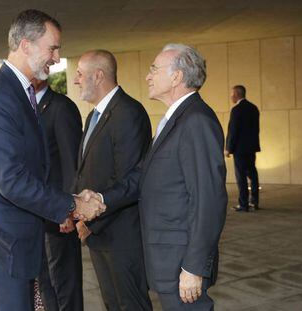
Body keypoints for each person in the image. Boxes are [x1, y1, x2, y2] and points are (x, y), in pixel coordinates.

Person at [0, 9, 105, 311]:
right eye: (52, 48)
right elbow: (11, 180)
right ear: (26, 45)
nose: (56, 57)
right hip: (1, 242)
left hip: (16, 236)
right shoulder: (0, 99)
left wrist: (64, 204)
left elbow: (36, 168)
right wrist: (74, 204)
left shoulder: (19, 93)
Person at [81, 43, 228, 310]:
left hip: (182, 261)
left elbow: (209, 200)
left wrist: (194, 267)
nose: (148, 76)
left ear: (176, 77)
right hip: (166, 258)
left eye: (154, 69)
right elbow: (141, 176)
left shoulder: (196, 121)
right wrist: (101, 197)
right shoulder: (175, 119)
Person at [73, 50, 153, 311]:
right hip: (99, 231)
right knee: (112, 304)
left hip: (122, 236)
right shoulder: (94, 115)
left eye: (80, 75)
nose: (76, 81)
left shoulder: (128, 112)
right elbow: (86, 171)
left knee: (131, 305)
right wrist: (79, 213)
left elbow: (130, 179)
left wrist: (90, 220)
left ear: (98, 76)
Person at [32, 79, 84, 311]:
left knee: (63, 283)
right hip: (36, 210)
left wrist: (67, 210)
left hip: (58, 214)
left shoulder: (61, 107)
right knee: (45, 282)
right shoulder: (26, 107)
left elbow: (71, 163)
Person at [225, 85, 260, 212]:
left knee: (241, 177)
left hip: (239, 149)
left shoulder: (237, 110)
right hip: (251, 148)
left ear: (237, 94)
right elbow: (256, 129)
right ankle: (254, 202)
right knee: (252, 174)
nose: (231, 96)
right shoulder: (253, 108)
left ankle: (243, 204)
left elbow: (233, 131)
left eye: (232, 94)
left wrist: (228, 148)